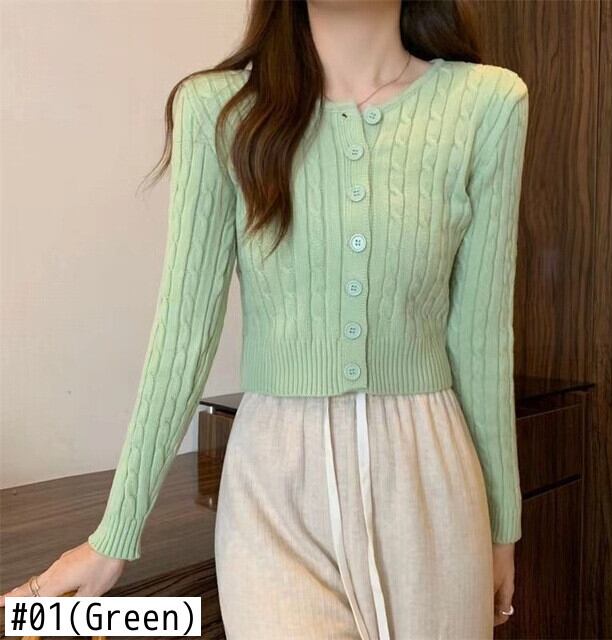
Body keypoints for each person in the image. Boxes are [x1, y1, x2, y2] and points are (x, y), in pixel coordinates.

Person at [1, 1, 530, 638]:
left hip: (432, 484)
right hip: (274, 492)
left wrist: (502, 525)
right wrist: (115, 534)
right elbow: (182, 334)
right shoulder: (219, 110)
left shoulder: (487, 103)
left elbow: (480, 339)